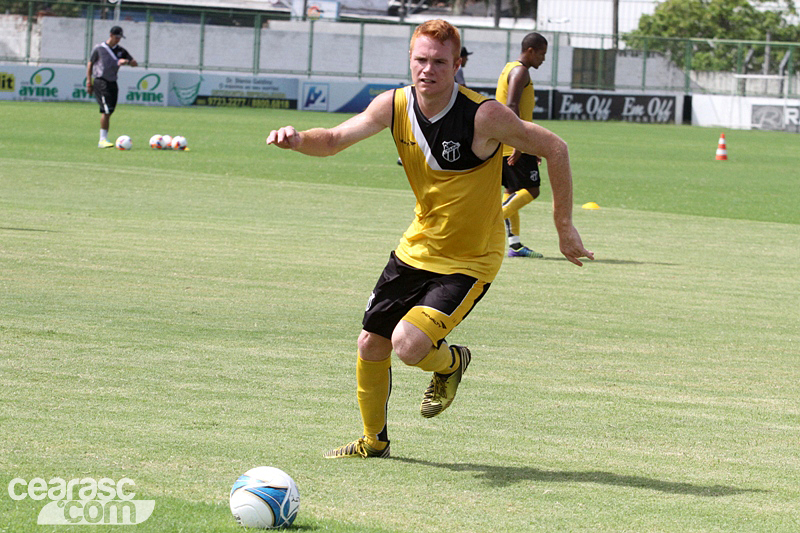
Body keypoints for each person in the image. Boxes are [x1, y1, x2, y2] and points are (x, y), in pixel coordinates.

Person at [267, 20, 592, 459]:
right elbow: (334, 139)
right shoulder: (394, 104)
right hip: (416, 248)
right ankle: (373, 441)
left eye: (440, 61)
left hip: (470, 259)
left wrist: (564, 225)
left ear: (457, 64)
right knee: (371, 343)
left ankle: (453, 363)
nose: (428, 69)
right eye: (421, 60)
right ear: (410, 59)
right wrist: (297, 139)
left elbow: (556, 147)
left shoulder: (484, 115)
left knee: (409, 344)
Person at [495, 32, 548, 258]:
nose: (543, 59)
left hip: (506, 140)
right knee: (532, 190)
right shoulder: (520, 71)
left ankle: (515, 245)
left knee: (512, 192)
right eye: (542, 54)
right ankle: (491, 220)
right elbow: (512, 106)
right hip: (513, 141)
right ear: (530, 51)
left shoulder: (510, 67)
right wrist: (520, 143)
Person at [86, 26, 138, 148]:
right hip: (100, 81)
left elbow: (135, 63)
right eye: (116, 37)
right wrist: (89, 82)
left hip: (112, 82)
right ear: (110, 35)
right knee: (106, 110)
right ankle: (102, 140)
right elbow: (90, 64)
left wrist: (126, 62)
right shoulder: (99, 48)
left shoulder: (121, 51)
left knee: (110, 111)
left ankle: (104, 138)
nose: (118, 40)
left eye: (120, 38)